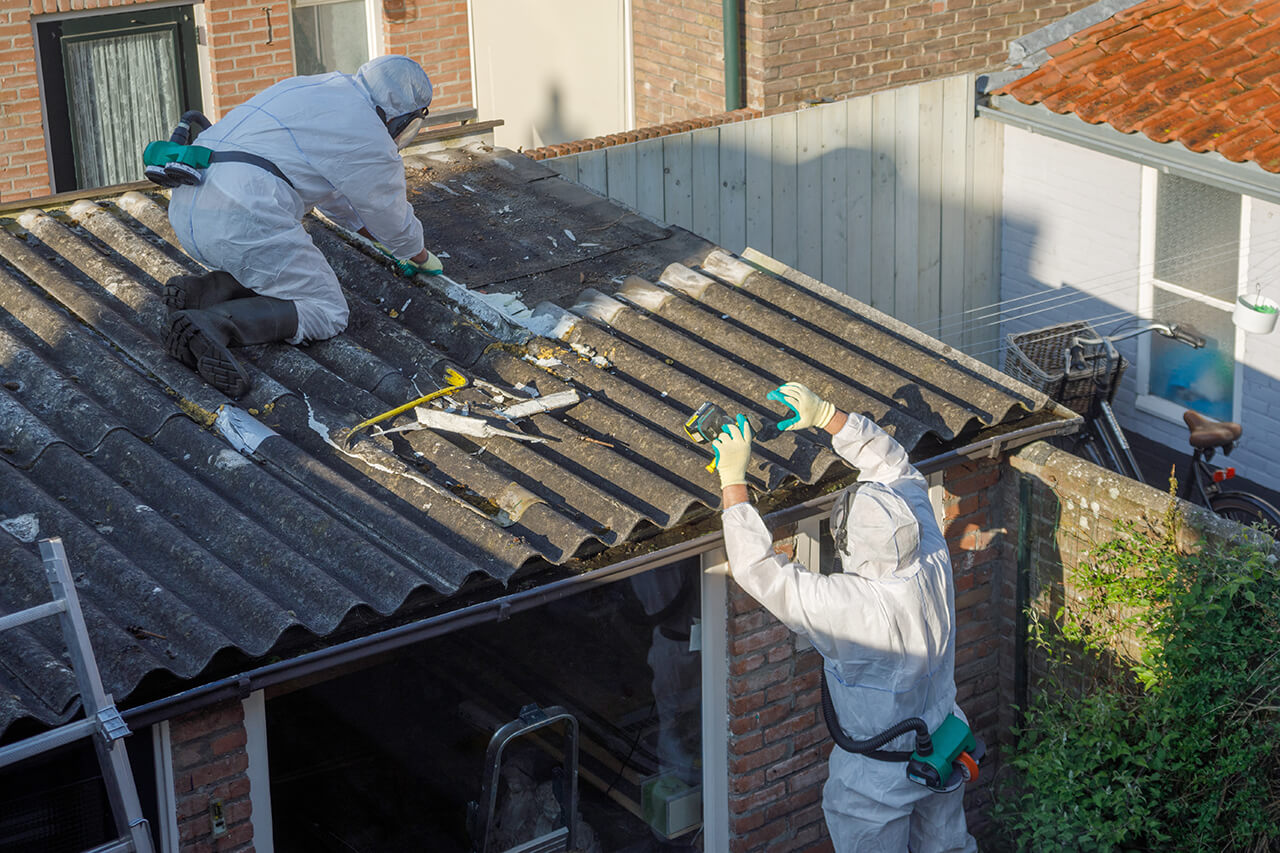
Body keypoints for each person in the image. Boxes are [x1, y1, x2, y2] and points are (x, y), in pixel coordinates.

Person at [709, 381, 977, 853]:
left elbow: (758, 570)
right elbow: (896, 468)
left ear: (848, 545)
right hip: (944, 742)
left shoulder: (850, 606)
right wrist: (828, 415)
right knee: (949, 847)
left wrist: (734, 479)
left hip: (878, 774)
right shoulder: (931, 553)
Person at [163, 54, 441, 398]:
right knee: (327, 311)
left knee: (275, 272)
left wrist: (382, 241)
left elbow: (336, 198)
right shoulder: (368, 134)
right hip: (244, 217)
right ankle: (216, 324)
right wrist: (419, 255)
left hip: (188, 203)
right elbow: (388, 213)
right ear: (403, 117)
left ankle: (205, 291)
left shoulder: (313, 87)